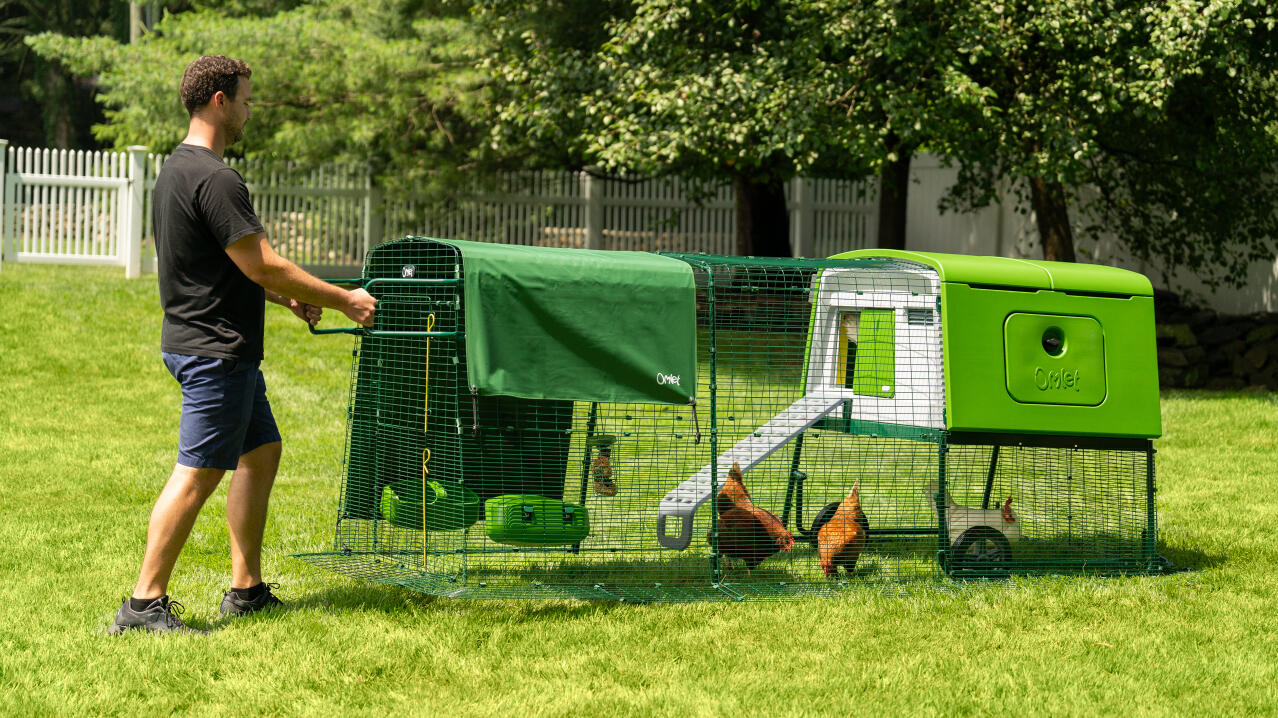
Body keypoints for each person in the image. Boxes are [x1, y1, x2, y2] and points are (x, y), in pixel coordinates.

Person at [109, 55, 377, 634]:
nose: (251, 110)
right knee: (198, 473)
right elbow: (262, 262)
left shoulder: (176, 169)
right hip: (215, 350)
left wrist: (285, 300)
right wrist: (343, 299)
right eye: (248, 100)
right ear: (220, 101)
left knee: (261, 453)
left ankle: (246, 589)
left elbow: (222, 265)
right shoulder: (216, 177)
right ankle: (141, 604)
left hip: (204, 341)